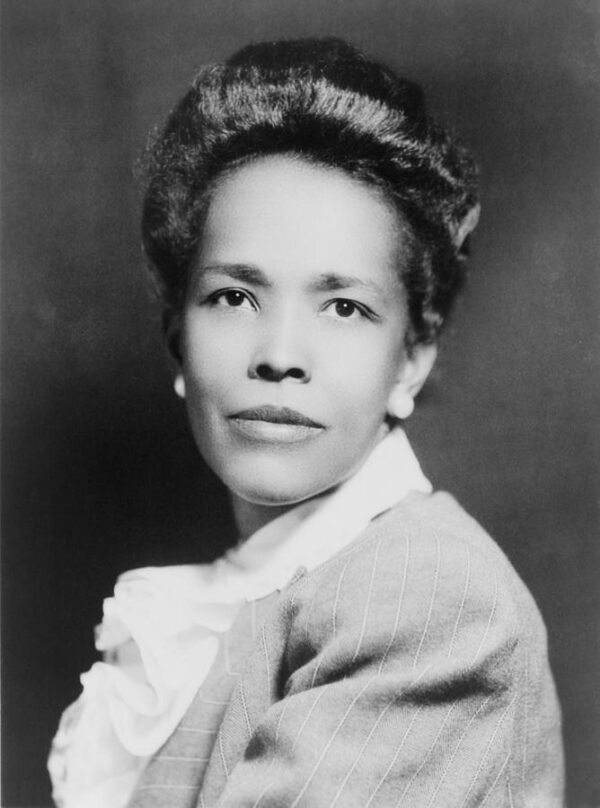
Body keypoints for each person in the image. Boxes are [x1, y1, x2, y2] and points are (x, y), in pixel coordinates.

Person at [48, 38, 564, 807]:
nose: (281, 354)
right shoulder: (271, 594)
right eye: (233, 297)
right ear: (177, 344)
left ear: (410, 363)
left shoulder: (426, 599)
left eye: (346, 307)